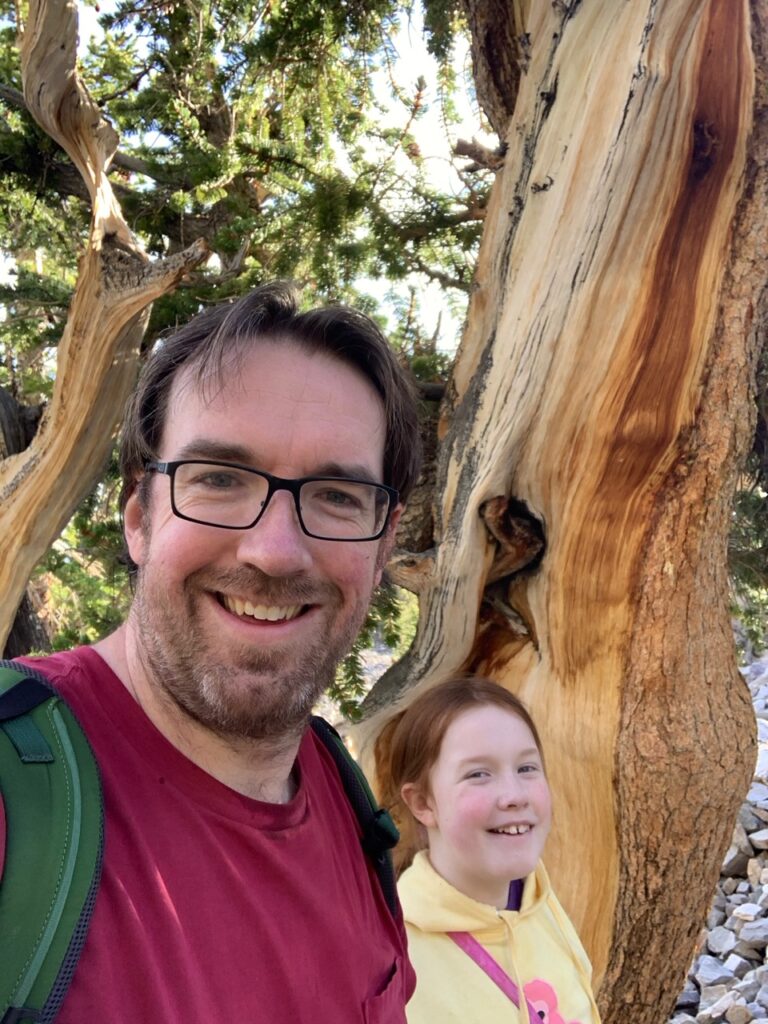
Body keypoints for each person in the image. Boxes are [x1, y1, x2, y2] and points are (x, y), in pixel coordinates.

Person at [10, 282, 420, 1021]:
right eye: (221, 480)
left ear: (383, 546)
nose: (273, 552)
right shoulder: (16, 801)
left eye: (335, 495)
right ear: (140, 517)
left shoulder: (348, 802)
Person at [378, 676, 601, 1024]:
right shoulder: (394, 961)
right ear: (423, 802)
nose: (514, 795)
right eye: (479, 774)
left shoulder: (536, 899)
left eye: (527, 768)